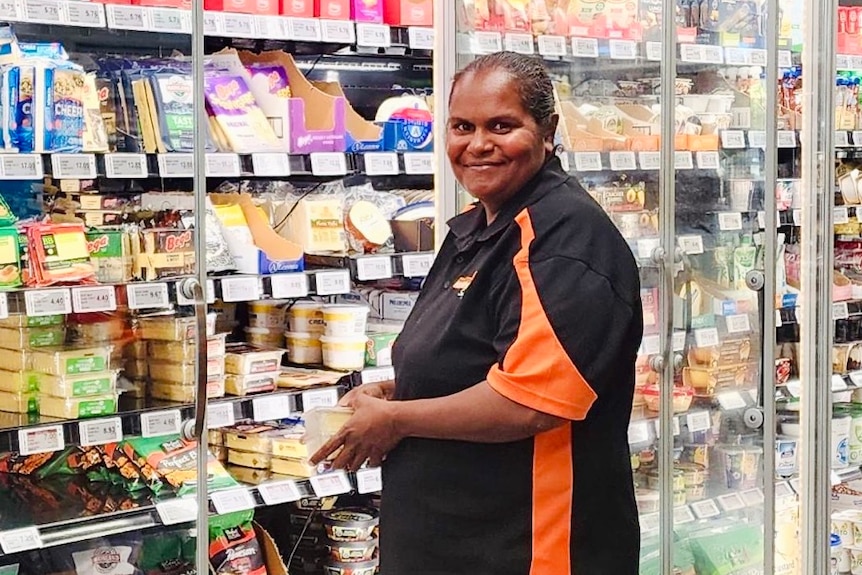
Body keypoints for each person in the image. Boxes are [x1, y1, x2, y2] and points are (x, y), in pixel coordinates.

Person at [310, 51, 643, 575]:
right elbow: (481, 360)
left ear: (548, 130)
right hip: (454, 541)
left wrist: (396, 419)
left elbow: (532, 403)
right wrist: (400, 391)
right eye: (462, 126)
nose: (478, 145)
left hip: (528, 548)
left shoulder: (562, 239)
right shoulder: (481, 225)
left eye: (502, 126)